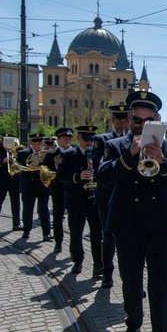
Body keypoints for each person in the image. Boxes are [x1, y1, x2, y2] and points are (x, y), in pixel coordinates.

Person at [98, 90, 167, 332]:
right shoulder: (115, 145)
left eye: (148, 121)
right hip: (127, 223)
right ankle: (133, 324)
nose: (140, 125)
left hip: (159, 224)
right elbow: (105, 178)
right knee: (131, 282)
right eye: (136, 120)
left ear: (157, 120)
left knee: (158, 287)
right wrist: (131, 154)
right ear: (130, 119)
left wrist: (162, 160)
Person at [93, 103, 131, 285]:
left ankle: (132, 282)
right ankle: (107, 272)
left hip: (129, 198)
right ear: (113, 121)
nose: (123, 124)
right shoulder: (102, 140)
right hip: (108, 197)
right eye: (119, 121)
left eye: (126, 120)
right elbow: (99, 169)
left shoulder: (137, 140)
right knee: (108, 237)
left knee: (133, 241)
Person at [58, 125, 104, 277]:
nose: (89, 143)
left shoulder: (99, 154)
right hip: (76, 201)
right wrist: (78, 176)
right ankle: (77, 261)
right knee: (76, 233)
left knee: (97, 234)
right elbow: (61, 175)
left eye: (92, 139)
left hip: (94, 200)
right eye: (86, 139)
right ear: (79, 138)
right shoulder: (68, 154)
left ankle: (98, 265)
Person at [44, 128, 73, 253]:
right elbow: (44, 171)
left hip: (73, 189)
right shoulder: (51, 154)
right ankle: (58, 242)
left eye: (69, 138)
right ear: (59, 139)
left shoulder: (75, 152)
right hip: (58, 189)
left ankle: (75, 244)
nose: (68, 140)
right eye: (65, 138)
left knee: (74, 218)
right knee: (57, 217)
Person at [17, 133, 52, 240]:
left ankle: (46, 233)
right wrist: (36, 158)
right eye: (37, 142)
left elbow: (49, 168)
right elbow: (19, 167)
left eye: (41, 142)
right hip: (28, 186)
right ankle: (26, 230)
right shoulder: (23, 153)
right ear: (31, 143)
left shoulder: (47, 154)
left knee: (44, 210)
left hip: (42, 185)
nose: (40, 144)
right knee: (28, 209)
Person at [0, 137, 21, 233]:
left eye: (11, 141)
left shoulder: (17, 151)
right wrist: (2, 161)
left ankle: (16, 223)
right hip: (0, 181)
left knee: (16, 202)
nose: (9, 143)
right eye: (6, 141)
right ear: (2, 141)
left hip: (14, 180)